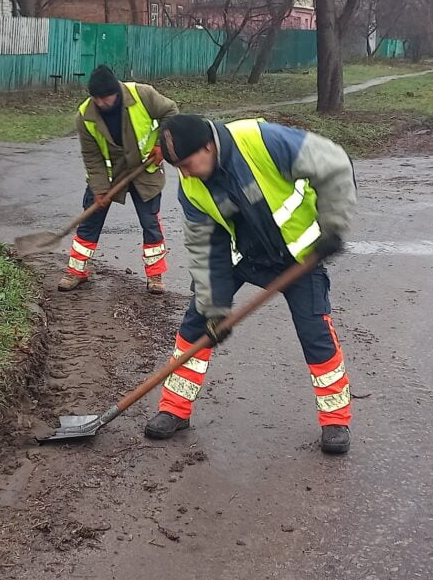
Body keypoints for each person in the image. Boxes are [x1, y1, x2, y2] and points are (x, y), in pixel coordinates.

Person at [146, 113, 358, 454]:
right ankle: (174, 408)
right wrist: (214, 307)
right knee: (197, 323)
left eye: (186, 164)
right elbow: (204, 247)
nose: (184, 174)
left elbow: (333, 162)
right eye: (177, 168)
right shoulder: (192, 188)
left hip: (300, 256)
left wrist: (332, 225)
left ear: (207, 146)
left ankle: (335, 420)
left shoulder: (261, 140)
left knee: (315, 332)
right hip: (243, 257)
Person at [61, 64, 180, 294]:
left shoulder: (142, 95)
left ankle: (155, 276)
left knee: (151, 224)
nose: (102, 103)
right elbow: (92, 156)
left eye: (106, 97)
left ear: (116, 91)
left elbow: (171, 112)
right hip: (109, 175)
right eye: (97, 98)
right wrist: (99, 188)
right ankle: (77, 272)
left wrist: (161, 145)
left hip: (144, 171)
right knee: (89, 223)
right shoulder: (85, 116)